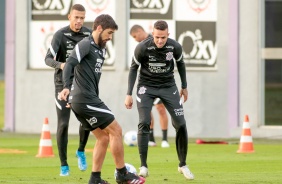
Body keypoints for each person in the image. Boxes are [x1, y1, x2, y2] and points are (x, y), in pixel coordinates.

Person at [59, 14, 146, 184]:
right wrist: (66, 87)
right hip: (85, 99)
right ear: (99, 28)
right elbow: (69, 64)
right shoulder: (85, 44)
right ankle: (122, 173)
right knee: (116, 131)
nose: (110, 37)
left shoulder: (101, 48)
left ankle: (95, 179)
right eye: (109, 33)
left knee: (103, 138)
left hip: (83, 100)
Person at [125, 20, 194, 180]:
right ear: (153, 34)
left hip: (168, 86)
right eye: (157, 37)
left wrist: (184, 86)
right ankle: (143, 166)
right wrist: (128, 93)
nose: (160, 41)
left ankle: (182, 164)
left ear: (168, 35)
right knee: (144, 121)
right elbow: (133, 68)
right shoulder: (142, 47)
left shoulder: (174, 46)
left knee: (181, 124)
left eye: (163, 37)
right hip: (146, 87)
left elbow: (181, 64)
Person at [45, 4, 90, 176]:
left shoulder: (88, 34)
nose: (79, 21)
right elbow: (47, 59)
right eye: (76, 17)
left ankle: (80, 150)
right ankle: (64, 164)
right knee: (63, 124)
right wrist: (61, 65)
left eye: (82, 18)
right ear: (69, 17)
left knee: (86, 121)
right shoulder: (60, 35)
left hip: (83, 84)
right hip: (62, 83)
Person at [129, 25, 170, 148]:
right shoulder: (141, 47)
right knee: (147, 111)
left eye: (135, 36)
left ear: (140, 31)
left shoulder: (157, 40)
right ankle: (151, 139)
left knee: (160, 108)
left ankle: (164, 139)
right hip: (146, 83)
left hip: (160, 82)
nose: (135, 39)